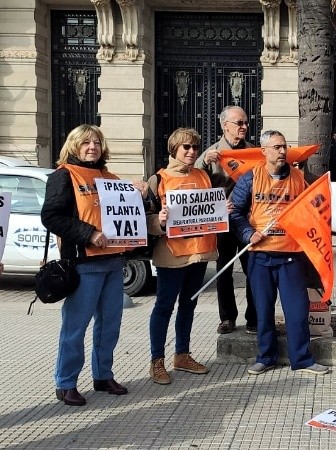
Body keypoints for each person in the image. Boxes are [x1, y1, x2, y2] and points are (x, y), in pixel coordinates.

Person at [41, 124, 148, 406]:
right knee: (75, 328)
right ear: (74, 146)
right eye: (86, 142)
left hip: (114, 263)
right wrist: (89, 234)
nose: (92, 147)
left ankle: (103, 375)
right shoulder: (63, 176)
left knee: (110, 325)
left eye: (97, 143)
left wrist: (140, 192)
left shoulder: (110, 178)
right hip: (83, 265)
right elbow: (51, 216)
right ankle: (65, 383)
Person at [230, 129, 331, 376]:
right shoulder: (249, 179)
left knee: (297, 312)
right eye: (276, 147)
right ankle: (266, 357)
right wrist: (247, 234)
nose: (282, 151)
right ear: (263, 151)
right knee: (263, 313)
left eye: (284, 146)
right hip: (260, 257)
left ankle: (303, 360)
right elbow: (235, 213)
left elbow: (312, 211)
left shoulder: (299, 178)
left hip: (291, 257)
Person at [145, 128, 218, 385]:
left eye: (195, 148)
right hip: (171, 254)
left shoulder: (203, 176)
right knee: (164, 306)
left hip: (198, 253)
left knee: (189, 305)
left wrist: (223, 209)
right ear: (174, 149)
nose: (191, 152)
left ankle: (182, 355)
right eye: (186, 147)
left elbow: (212, 208)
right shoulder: (159, 179)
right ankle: (157, 361)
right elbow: (146, 219)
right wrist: (159, 221)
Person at [197, 105, 256, 335]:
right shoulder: (211, 153)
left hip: (248, 220)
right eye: (239, 123)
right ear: (225, 126)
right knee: (224, 270)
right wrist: (203, 163)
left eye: (245, 123)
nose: (244, 127)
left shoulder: (253, 152)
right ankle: (227, 318)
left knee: (253, 270)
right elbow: (192, 182)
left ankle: (254, 318)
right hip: (222, 221)